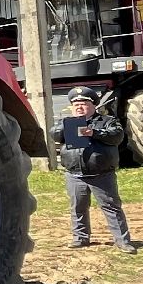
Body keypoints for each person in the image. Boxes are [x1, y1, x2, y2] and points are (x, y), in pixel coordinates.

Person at [51, 86, 136, 253]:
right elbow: (54, 134)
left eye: (83, 104)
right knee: (78, 207)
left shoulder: (107, 121)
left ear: (93, 105)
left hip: (101, 175)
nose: (79, 107)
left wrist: (94, 132)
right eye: (76, 105)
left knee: (111, 207)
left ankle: (123, 242)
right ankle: (80, 238)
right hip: (75, 174)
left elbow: (117, 136)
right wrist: (66, 127)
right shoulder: (66, 122)